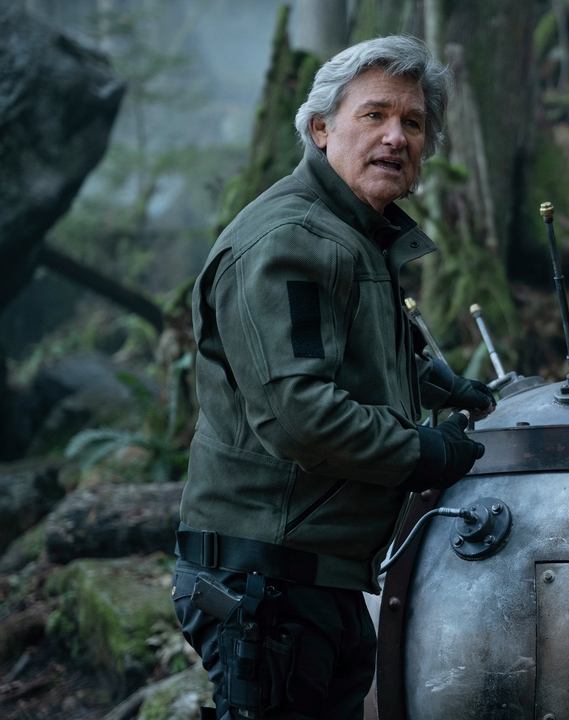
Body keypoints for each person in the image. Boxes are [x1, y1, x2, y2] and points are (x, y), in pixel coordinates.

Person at [171, 36, 492, 720]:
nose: (396, 137)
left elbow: (344, 356)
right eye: (374, 115)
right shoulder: (292, 241)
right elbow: (300, 414)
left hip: (316, 574)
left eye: (413, 123)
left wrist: (442, 387)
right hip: (265, 579)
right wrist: (422, 452)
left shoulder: (351, 236)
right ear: (320, 129)